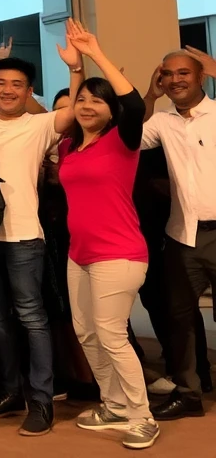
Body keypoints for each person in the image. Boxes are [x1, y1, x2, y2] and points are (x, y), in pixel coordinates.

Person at [0, 46, 78, 435]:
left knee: (31, 317)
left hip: (25, 238)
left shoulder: (38, 125)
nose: (7, 90)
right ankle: (10, 390)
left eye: (16, 85)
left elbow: (72, 112)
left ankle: (41, 400)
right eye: (2, 83)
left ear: (29, 93)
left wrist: (75, 66)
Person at [55, 21, 159, 450]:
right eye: (82, 99)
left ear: (110, 108)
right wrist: (74, 70)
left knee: (112, 333)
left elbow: (134, 104)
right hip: (79, 253)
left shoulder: (123, 139)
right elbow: (63, 113)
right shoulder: (69, 146)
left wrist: (95, 52)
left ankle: (142, 415)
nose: (87, 105)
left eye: (98, 100)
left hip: (119, 252)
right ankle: (113, 403)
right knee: (86, 333)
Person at [140, 47, 216, 421]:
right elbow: (128, 141)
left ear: (201, 76)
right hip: (183, 235)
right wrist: (150, 97)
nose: (176, 80)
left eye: (184, 73)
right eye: (168, 74)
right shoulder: (162, 122)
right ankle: (189, 392)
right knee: (180, 316)